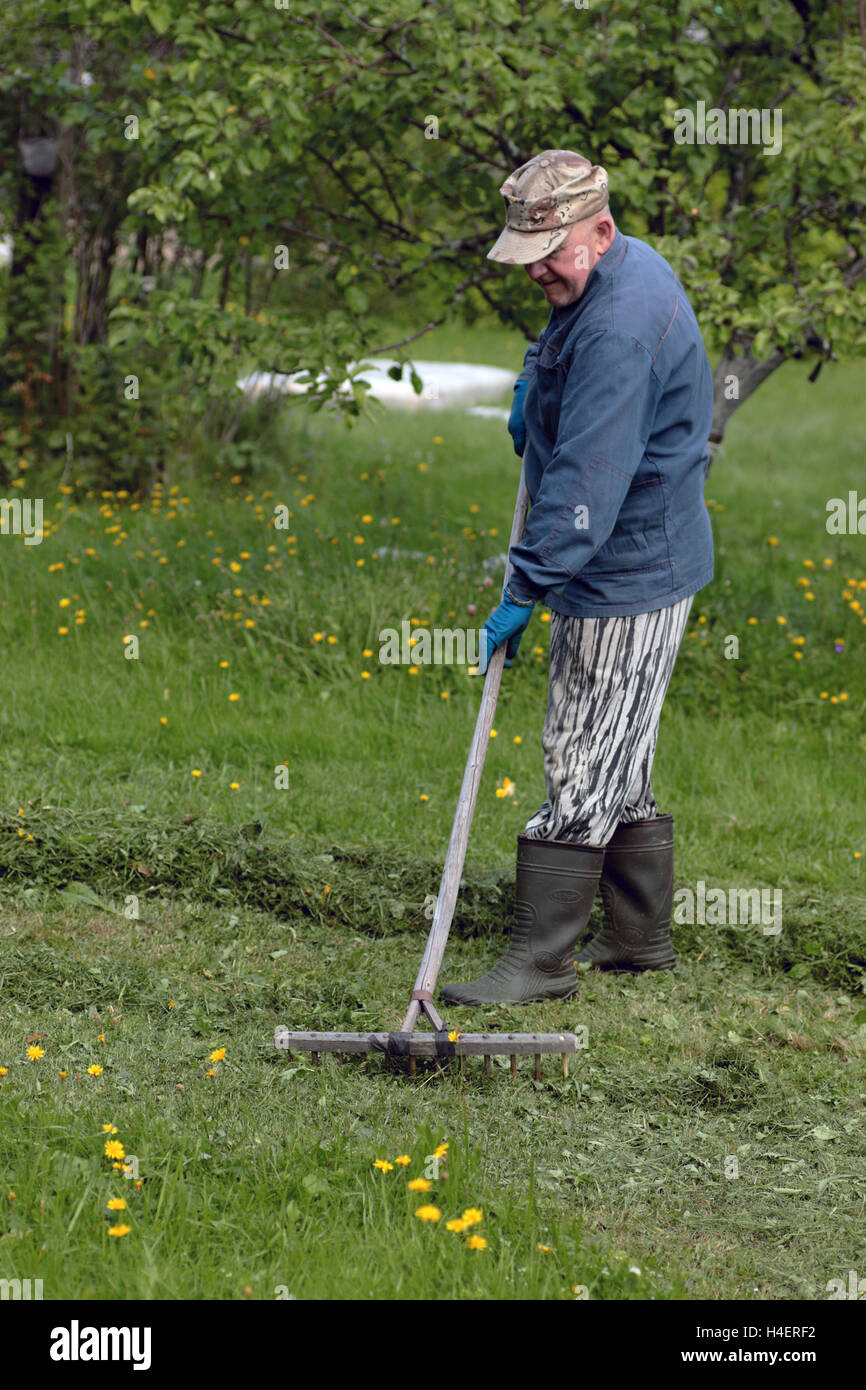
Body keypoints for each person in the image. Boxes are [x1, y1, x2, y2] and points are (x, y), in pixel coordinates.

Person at [440, 150, 714, 1007]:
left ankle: (542, 961)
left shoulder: (620, 326)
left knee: (584, 754)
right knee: (620, 758)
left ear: (599, 227)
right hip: (635, 556)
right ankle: (636, 938)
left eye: (552, 253)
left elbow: (587, 486)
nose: (541, 272)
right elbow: (568, 362)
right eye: (531, 254)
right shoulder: (615, 270)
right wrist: (536, 380)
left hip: (625, 567)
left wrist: (524, 587)